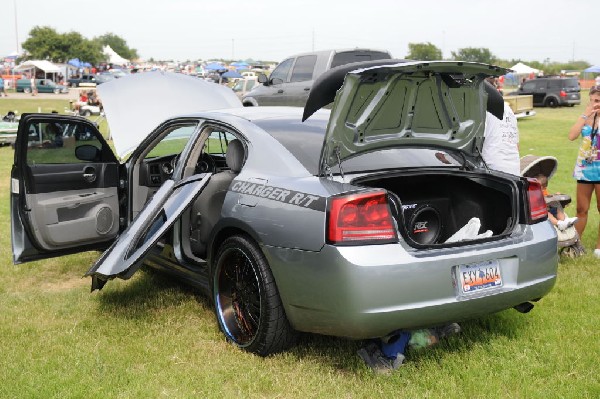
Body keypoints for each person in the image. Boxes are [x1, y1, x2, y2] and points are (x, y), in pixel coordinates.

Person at [568, 85, 600, 256]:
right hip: (585, 170)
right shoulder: (586, 118)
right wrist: (585, 115)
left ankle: (599, 248)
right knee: (581, 209)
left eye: (599, 101)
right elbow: (571, 136)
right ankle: (576, 245)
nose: (595, 104)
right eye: (593, 100)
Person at [482, 81, 520, 175]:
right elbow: (516, 145)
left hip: (492, 168)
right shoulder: (508, 109)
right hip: (514, 168)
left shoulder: (483, 108)